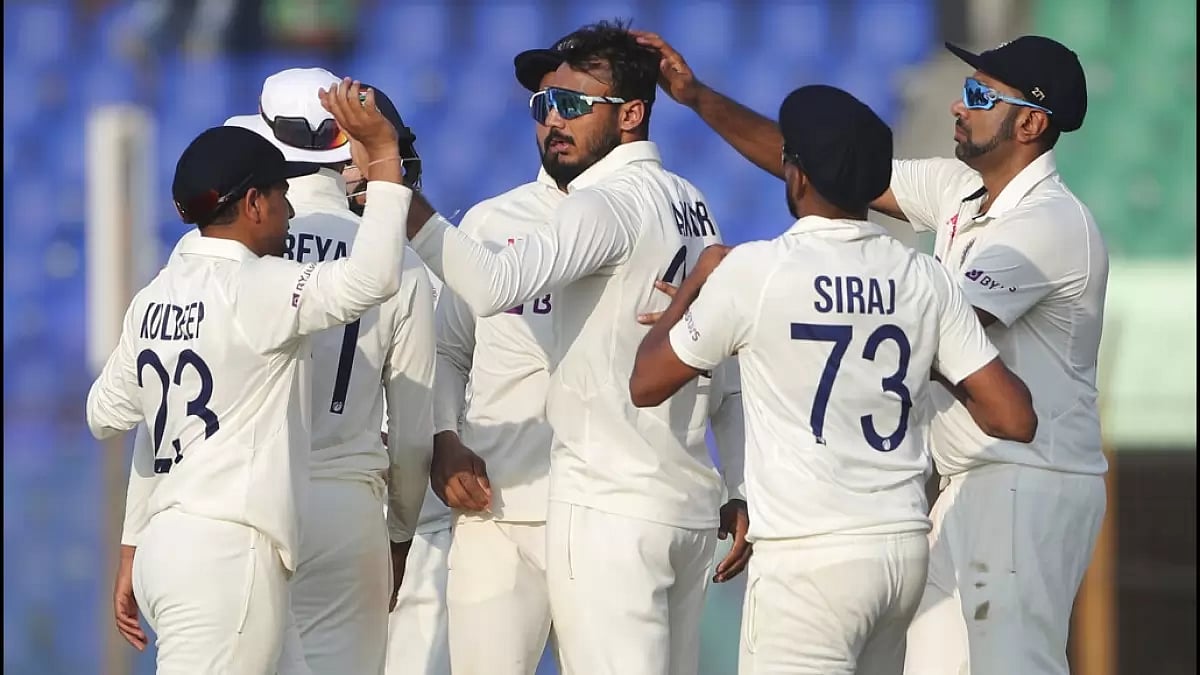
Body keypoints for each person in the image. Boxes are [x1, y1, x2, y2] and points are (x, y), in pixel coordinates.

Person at [635, 31, 1110, 675]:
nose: (956, 106)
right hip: (968, 479)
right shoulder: (958, 190)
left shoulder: (1048, 223)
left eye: (978, 95)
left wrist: (742, 307)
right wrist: (697, 99)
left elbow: (916, 326)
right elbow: (828, 166)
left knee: (1014, 664)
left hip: (1031, 479)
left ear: (1029, 122)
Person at [401, 20, 749, 675]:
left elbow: (720, 367)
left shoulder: (611, 207)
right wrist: (445, 434)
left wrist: (394, 190)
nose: (552, 120)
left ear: (631, 115)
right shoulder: (495, 220)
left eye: (571, 106)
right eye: (543, 105)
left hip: (600, 509)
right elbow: (449, 349)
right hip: (502, 509)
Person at [87, 79, 413, 674]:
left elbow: (107, 415)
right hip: (229, 552)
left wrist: (133, 544)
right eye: (282, 197)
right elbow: (371, 282)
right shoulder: (256, 287)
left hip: (170, 545)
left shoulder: (154, 296)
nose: (290, 211)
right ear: (255, 203)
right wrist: (386, 161)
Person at [229, 69, 436, 675]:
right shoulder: (400, 259)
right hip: (347, 507)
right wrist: (398, 538)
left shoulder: (234, 250)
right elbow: (413, 433)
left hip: (244, 497)